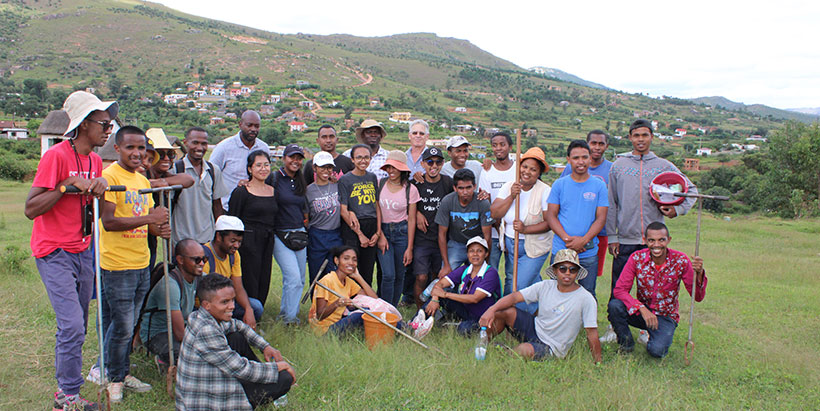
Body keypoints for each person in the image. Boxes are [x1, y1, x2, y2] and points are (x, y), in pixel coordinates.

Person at [25, 90, 115, 410]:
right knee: (72, 325)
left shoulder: (94, 160)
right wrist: (66, 185)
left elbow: (98, 210)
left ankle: (69, 390)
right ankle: (67, 397)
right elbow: (31, 208)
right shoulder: (56, 157)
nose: (109, 129)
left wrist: (100, 190)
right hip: (54, 251)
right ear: (83, 125)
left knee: (76, 325)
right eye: (103, 123)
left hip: (83, 249)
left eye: (111, 124)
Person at [601, 119, 698, 343]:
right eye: (636, 135)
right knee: (619, 285)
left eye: (645, 135)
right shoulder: (619, 165)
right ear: (630, 138)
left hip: (654, 241)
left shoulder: (663, 165)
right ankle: (615, 327)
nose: (641, 139)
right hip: (625, 237)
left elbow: (690, 190)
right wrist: (613, 236)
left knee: (651, 287)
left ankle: (646, 327)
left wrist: (677, 210)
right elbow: (612, 202)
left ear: (652, 137)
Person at [99, 126, 169, 401]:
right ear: (117, 149)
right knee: (122, 325)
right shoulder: (108, 177)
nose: (137, 153)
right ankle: (114, 377)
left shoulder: (141, 181)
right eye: (130, 147)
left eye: (141, 148)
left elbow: (144, 219)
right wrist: (150, 220)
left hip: (141, 262)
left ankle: (120, 371)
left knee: (128, 323)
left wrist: (157, 228)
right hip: (117, 265)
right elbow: (109, 222)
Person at [176, 274, 295, 411]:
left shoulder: (200, 316)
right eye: (225, 302)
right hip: (205, 402)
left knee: (236, 336)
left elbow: (238, 325)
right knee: (283, 378)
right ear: (206, 305)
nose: (232, 306)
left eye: (233, 300)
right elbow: (242, 369)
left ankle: (256, 384)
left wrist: (265, 346)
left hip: (208, 386)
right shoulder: (207, 331)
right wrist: (279, 367)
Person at [479, 249, 602, 363]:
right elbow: (515, 297)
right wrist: (491, 309)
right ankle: (482, 345)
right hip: (536, 328)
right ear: (555, 270)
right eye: (563, 269)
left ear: (577, 273)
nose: (567, 273)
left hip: (553, 347)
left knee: (524, 350)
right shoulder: (545, 286)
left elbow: (591, 332)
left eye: (573, 269)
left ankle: (503, 354)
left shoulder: (586, 299)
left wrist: (598, 362)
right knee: (505, 312)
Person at [608, 222, 708, 358]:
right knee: (615, 306)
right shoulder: (637, 258)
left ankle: (656, 338)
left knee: (656, 351)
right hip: (641, 313)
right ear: (645, 240)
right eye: (651, 240)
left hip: (665, 316)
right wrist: (642, 309)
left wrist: (700, 273)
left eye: (661, 240)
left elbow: (697, 297)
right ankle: (626, 344)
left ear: (669, 240)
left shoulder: (681, 261)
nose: (656, 245)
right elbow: (620, 290)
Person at [491, 147, 553, 313]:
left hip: (534, 247)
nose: (527, 172)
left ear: (539, 172)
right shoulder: (510, 186)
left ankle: (513, 318)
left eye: (533, 169)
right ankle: (537, 313)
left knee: (519, 285)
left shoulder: (545, 191)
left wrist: (526, 229)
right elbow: (494, 212)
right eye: (524, 167)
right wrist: (511, 196)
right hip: (511, 244)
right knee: (521, 280)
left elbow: (549, 223)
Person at [547, 140, 608, 298]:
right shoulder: (559, 185)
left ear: (589, 158)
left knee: (587, 294)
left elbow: (601, 218)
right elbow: (551, 215)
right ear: (568, 159)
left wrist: (584, 240)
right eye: (576, 158)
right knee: (556, 293)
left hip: (588, 251)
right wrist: (568, 240)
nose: (580, 162)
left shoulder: (599, 185)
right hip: (561, 249)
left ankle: (586, 323)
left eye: (584, 157)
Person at [140, 239, 204, 367]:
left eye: (204, 259)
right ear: (180, 260)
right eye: (197, 260)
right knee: (192, 356)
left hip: (185, 327)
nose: (202, 263)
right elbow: (180, 334)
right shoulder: (170, 285)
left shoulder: (199, 277)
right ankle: (163, 360)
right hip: (159, 334)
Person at [560, 130, 613, 279]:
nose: (597, 147)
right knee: (565, 278)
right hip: (569, 235)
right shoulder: (570, 168)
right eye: (593, 143)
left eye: (601, 144)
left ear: (607, 146)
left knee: (589, 277)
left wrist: (586, 239)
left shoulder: (611, 169)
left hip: (598, 233)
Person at [228, 150, 277, 309]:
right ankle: (248, 312)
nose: (263, 169)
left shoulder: (272, 190)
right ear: (250, 169)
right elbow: (233, 219)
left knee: (264, 277)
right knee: (250, 278)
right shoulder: (241, 191)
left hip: (267, 240)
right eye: (258, 165)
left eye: (266, 165)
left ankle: (259, 311)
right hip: (248, 242)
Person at [423, 236, 501, 335]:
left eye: (479, 251)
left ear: (486, 254)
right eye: (471, 251)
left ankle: (448, 324)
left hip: (482, 316)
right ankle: (416, 324)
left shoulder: (490, 273)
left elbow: (475, 298)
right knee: (437, 297)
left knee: (463, 330)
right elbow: (440, 283)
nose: (475, 254)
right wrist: (435, 298)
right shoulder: (466, 269)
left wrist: (445, 294)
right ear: (467, 254)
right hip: (465, 310)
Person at [268, 144, 309, 325]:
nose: (296, 161)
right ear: (284, 158)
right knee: (293, 278)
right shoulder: (274, 178)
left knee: (298, 278)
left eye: (299, 158)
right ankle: (290, 321)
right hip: (279, 234)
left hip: (299, 233)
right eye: (292, 157)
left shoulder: (301, 180)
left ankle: (286, 314)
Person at [142, 128, 194, 269]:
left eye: (170, 154)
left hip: (150, 242)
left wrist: (162, 183)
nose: (166, 159)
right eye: (161, 154)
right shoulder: (140, 175)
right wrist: (151, 184)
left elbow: (188, 180)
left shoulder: (165, 176)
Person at [172, 126, 229, 246]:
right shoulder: (175, 169)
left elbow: (217, 205)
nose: (200, 148)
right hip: (181, 241)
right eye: (195, 143)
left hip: (207, 240)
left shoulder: (213, 171)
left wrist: (220, 235)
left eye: (204, 144)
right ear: (185, 143)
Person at [376, 150, 420, 306]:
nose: (391, 171)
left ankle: (392, 310)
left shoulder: (411, 190)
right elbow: (377, 210)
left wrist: (410, 247)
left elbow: (412, 219)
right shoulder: (380, 184)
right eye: (388, 167)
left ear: (402, 169)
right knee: (388, 274)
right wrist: (380, 234)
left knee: (400, 274)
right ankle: (384, 309)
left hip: (402, 232)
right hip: (384, 231)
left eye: (394, 167)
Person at [203, 216, 263, 328]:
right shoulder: (205, 255)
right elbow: (205, 295)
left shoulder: (234, 255)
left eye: (239, 242)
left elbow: (238, 287)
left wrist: (248, 310)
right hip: (208, 306)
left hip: (224, 303)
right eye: (233, 241)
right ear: (219, 237)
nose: (236, 246)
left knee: (256, 307)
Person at [411, 147, 453, 306]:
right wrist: (416, 214)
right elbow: (403, 202)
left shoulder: (448, 182)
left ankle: (434, 307)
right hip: (422, 239)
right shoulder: (416, 182)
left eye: (438, 162)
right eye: (429, 162)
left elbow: (463, 193)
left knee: (438, 276)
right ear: (422, 163)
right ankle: (419, 309)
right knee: (421, 277)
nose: (433, 165)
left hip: (442, 238)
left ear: (443, 163)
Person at [339, 144, 383, 287]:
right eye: (359, 157)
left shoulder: (371, 177)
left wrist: (378, 231)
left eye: (366, 157)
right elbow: (343, 210)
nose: (363, 161)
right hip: (354, 227)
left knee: (368, 268)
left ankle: (366, 302)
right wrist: (359, 234)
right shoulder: (345, 180)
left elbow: (376, 205)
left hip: (371, 225)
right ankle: (351, 302)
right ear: (352, 159)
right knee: (352, 268)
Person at [435, 168, 493, 278]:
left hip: (477, 243)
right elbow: (441, 234)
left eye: (468, 187)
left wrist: (485, 261)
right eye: (461, 188)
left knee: (479, 276)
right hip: (456, 243)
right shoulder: (448, 201)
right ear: (455, 188)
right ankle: (446, 294)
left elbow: (487, 236)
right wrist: (446, 265)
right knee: (446, 275)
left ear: (474, 187)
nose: (465, 192)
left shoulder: (483, 203)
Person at [309, 246, 379, 335]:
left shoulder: (348, 282)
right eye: (346, 258)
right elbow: (319, 315)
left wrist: (358, 277)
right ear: (336, 261)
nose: (351, 263)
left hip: (339, 322)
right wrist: (337, 304)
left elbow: (374, 300)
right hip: (325, 330)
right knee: (360, 316)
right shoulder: (327, 281)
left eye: (354, 260)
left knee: (369, 310)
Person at [209, 110, 270, 211]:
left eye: (257, 126)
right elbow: (211, 175)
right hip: (228, 208)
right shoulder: (224, 147)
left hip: (255, 208)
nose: (253, 129)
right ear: (240, 124)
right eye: (249, 125)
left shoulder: (264, 148)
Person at [478, 132, 517, 269]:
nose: (498, 148)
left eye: (502, 144)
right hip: (494, 232)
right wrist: (497, 225)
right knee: (491, 270)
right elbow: (486, 201)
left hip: (514, 231)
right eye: (495, 145)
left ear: (510, 147)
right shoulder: (487, 171)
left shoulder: (518, 169)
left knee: (512, 273)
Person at [306, 151, 344, 287]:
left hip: (336, 233)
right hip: (317, 234)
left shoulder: (338, 186)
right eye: (322, 167)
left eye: (329, 167)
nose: (326, 171)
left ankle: (335, 306)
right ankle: (317, 306)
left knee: (335, 273)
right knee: (317, 275)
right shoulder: (308, 191)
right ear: (314, 167)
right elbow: (306, 216)